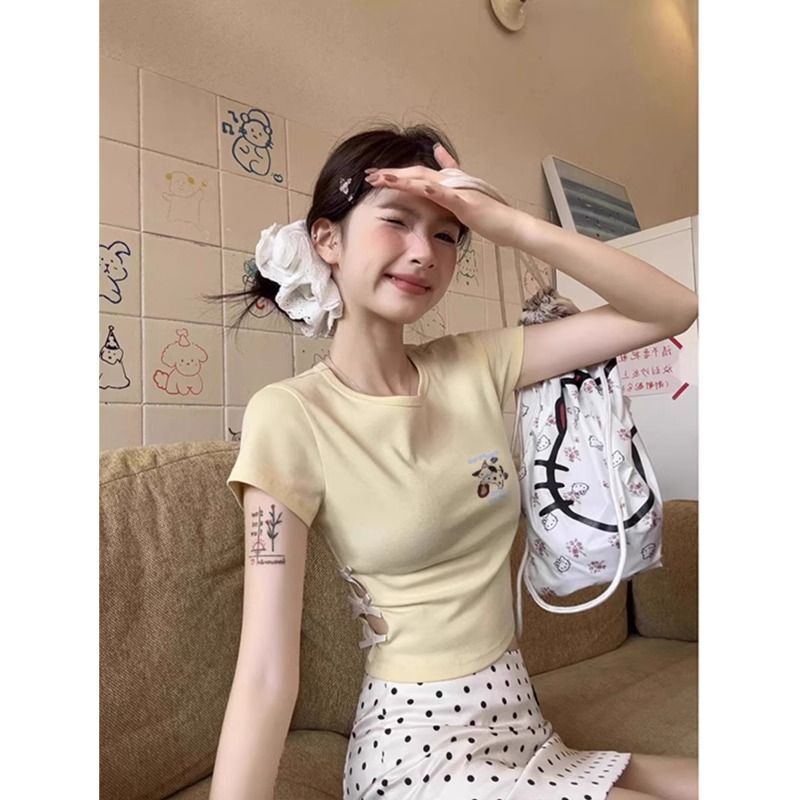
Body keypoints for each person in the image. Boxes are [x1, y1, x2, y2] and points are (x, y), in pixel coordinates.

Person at [205, 123, 699, 800]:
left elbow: (672, 310)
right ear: (327, 240)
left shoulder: (476, 364)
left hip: (522, 723)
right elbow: (265, 671)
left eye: (445, 233)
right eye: (396, 222)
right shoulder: (290, 415)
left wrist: (510, 226)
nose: (423, 252)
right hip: (417, 750)